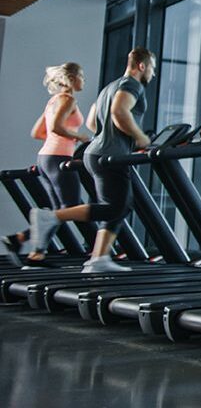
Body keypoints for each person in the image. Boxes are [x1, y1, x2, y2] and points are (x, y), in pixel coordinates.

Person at [27, 49, 158, 273]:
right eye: (152, 68)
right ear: (142, 66)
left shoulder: (109, 87)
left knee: (120, 205)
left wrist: (107, 137)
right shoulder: (132, 85)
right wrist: (140, 137)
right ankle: (51, 217)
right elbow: (119, 112)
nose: (153, 74)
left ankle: (99, 258)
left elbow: (91, 122)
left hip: (95, 152)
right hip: (110, 155)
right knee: (113, 206)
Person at [2, 63, 93, 268]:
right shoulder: (68, 99)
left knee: (56, 210)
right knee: (68, 207)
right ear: (72, 78)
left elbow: (38, 133)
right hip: (58, 159)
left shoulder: (52, 101)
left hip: (45, 158)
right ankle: (30, 247)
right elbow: (56, 127)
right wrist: (79, 136)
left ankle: (28, 247)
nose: (84, 80)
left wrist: (62, 137)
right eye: (82, 76)